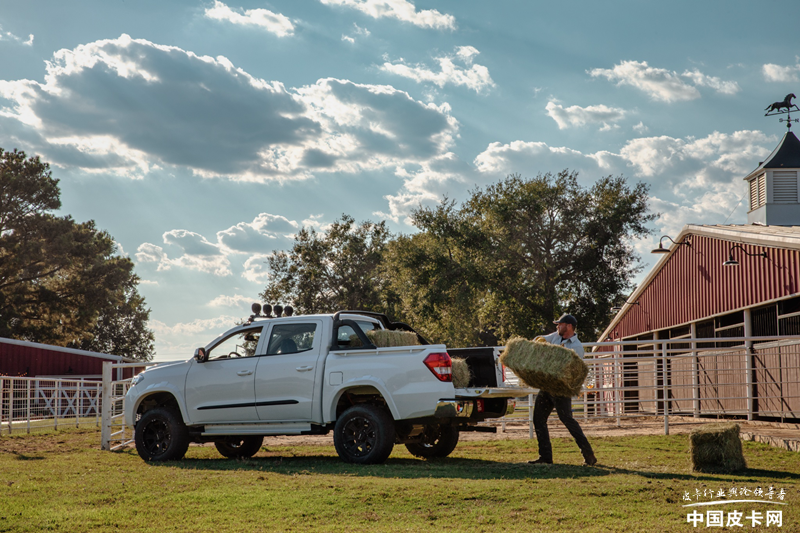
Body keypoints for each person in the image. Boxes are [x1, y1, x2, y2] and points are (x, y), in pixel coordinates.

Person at [528, 313, 597, 466]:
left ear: (569, 326)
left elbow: (569, 369)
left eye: (560, 324)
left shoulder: (577, 347)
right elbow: (540, 339)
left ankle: (589, 455)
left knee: (567, 420)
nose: (557, 326)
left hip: (561, 388)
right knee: (538, 419)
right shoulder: (556, 337)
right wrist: (538, 342)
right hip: (548, 386)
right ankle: (545, 457)